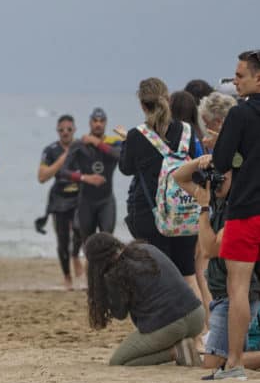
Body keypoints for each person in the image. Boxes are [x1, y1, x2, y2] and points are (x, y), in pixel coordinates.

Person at [173, 155, 260, 377]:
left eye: (224, 176)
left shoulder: (242, 209)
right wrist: (207, 158)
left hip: (240, 296)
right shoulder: (215, 200)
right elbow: (179, 177)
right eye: (215, 175)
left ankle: (237, 358)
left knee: (214, 363)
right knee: (218, 359)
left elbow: (209, 249)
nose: (217, 180)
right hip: (222, 295)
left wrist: (203, 210)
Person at [119, 78, 200, 286]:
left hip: (150, 212)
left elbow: (125, 169)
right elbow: (193, 165)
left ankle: (166, 317)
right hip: (183, 211)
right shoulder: (187, 131)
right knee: (187, 274)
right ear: (168, 99)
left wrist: (127, 144)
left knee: (157, 275)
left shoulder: (136, 135)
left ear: (142, 105)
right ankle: (199, 319)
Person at [209, 50, 260, 380]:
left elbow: (221, 160)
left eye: (240, 75)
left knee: (238, 286)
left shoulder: (241, 114)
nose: (235, 81)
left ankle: (235, 362)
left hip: (247, 209)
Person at [85, 233, 204, 366]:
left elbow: (120, 314)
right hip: (197, 316)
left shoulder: (114, 275)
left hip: (170, 326)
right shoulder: (146, 248)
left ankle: (177, 351)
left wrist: (104, 289)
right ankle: (184, 344)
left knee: (118, 361)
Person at [58, 108, 120, 244]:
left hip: (106, 201)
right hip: (86, 202)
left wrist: (97, 143)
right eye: (95, 121)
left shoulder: (114, 144)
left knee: (108, 242)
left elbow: (120, 156)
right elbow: (62, 171)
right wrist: (85, 178)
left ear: (106, 123)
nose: (98, 124)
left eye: (101, 121)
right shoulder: (79, 145)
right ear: (90, 123)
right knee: (89, 244)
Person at [37, 114, 82, 289]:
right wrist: (63, 159)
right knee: (62, 241)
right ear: (57, 131)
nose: (65, 132)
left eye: (69, 129)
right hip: (59, 198)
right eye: (62, 130)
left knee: (80, 229)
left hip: (80, 196)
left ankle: (76, 255)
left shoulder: (81, 147)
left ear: (74, 130)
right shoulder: (50, 150)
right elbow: (42, 177)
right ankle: (67, 277)